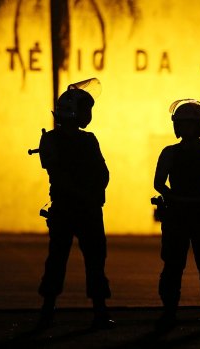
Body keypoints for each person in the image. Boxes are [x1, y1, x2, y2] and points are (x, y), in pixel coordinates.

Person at [35, 78, 114, 329]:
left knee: (63, 259)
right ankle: (97, 313)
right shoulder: (80, 140)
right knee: (86, 260)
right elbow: (99, 175)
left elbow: (101, 174)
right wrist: (88, 195)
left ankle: (50, 312)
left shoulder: (58, 140)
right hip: (82, 209)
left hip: (72, 208)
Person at [153, 99, 200, 331]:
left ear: (199, 126)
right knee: (173, 266)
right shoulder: (169, 153)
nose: (185, 129)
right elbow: (158, 183)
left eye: (189, 124)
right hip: (179, 216)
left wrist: (197, 200)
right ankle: (169, 311)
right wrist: (178, 199)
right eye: (181, 124)